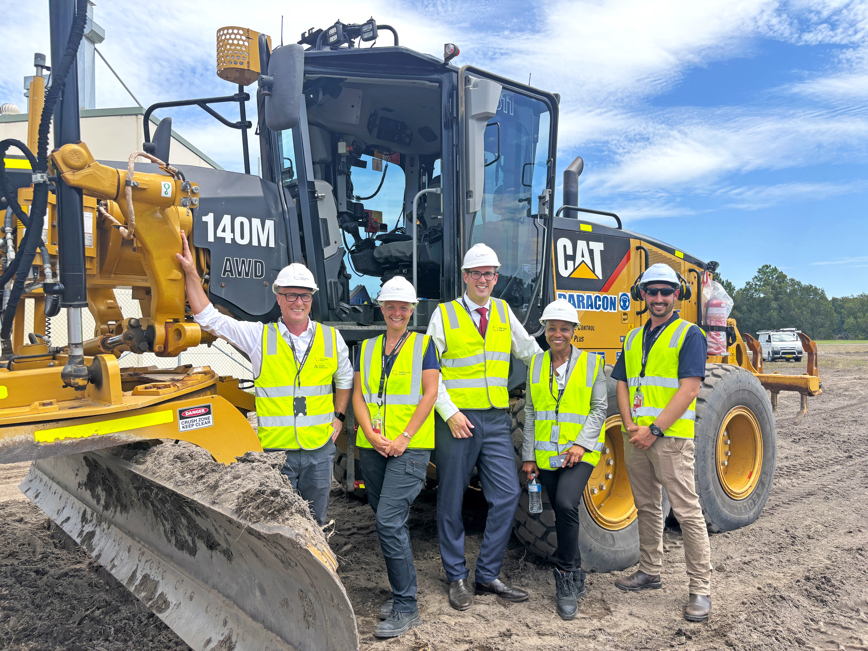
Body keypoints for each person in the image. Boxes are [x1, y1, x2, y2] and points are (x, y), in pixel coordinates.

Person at [176, 233, 352, 526]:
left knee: (316, 521)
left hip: (319, 452)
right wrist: (192, 273)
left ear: (312, 298)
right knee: (277, 523)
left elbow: (344, 379)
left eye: (305, 295)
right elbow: (209, 319)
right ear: (278, 297)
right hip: (276, 453)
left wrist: (339, 416)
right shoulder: (259, 336)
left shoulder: (331, 338)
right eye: (291, 295)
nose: (299, 302)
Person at [427, 242, 543, 611]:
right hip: (458, 420)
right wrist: (449, 413)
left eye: (489, 273)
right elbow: (430, 372)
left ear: (496, 277)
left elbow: (529, 353)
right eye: (476, 273)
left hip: (495, 418)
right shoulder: (443, 315)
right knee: (451, 499)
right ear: (465, 277)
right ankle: (456, 576)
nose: (483, 279)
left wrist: (564, 370)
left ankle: (487, 574)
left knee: (508, 494)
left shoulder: (504, 312)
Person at [610, 263, 712, 622]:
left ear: (677, 295)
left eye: (665, 292)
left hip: (669, 438)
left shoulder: (690, 335)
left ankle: (700, 589)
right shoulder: (635, 337)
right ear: (642, 294)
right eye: (651, 291)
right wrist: (628, 424)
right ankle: (650, 571)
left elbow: (690, 389)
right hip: (636, 434)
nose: (658, 298)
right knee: (647, 506)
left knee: (686, 511)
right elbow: (622, 381)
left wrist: (653, 429)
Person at [352, 277, 440, 638]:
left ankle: (407, 606)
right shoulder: (367, 347)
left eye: (403, 307)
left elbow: (430, 393)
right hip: (373, 447)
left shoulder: (424, 345)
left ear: (412, 309)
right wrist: (371, 435)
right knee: (389, 519)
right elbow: (359, 394)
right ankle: (402, 594)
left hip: (409, 447)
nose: (397, 311)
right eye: (391, 305)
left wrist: (403, 438)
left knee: (388, 521)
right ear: (381, 306)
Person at [520, 299, 607, 620]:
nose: (558, 334)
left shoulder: (592, 365)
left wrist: (581, 445)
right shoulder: (536, 365)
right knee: (560, 509)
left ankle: (566, 576)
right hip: (545, 455)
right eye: (552, 328)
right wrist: (529, 456)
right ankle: (577, 570)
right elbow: (530, 412)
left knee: (568, 504)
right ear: (545, 330)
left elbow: (599, 409)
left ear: (574, 332)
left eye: (564, 329)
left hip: (579, 454)